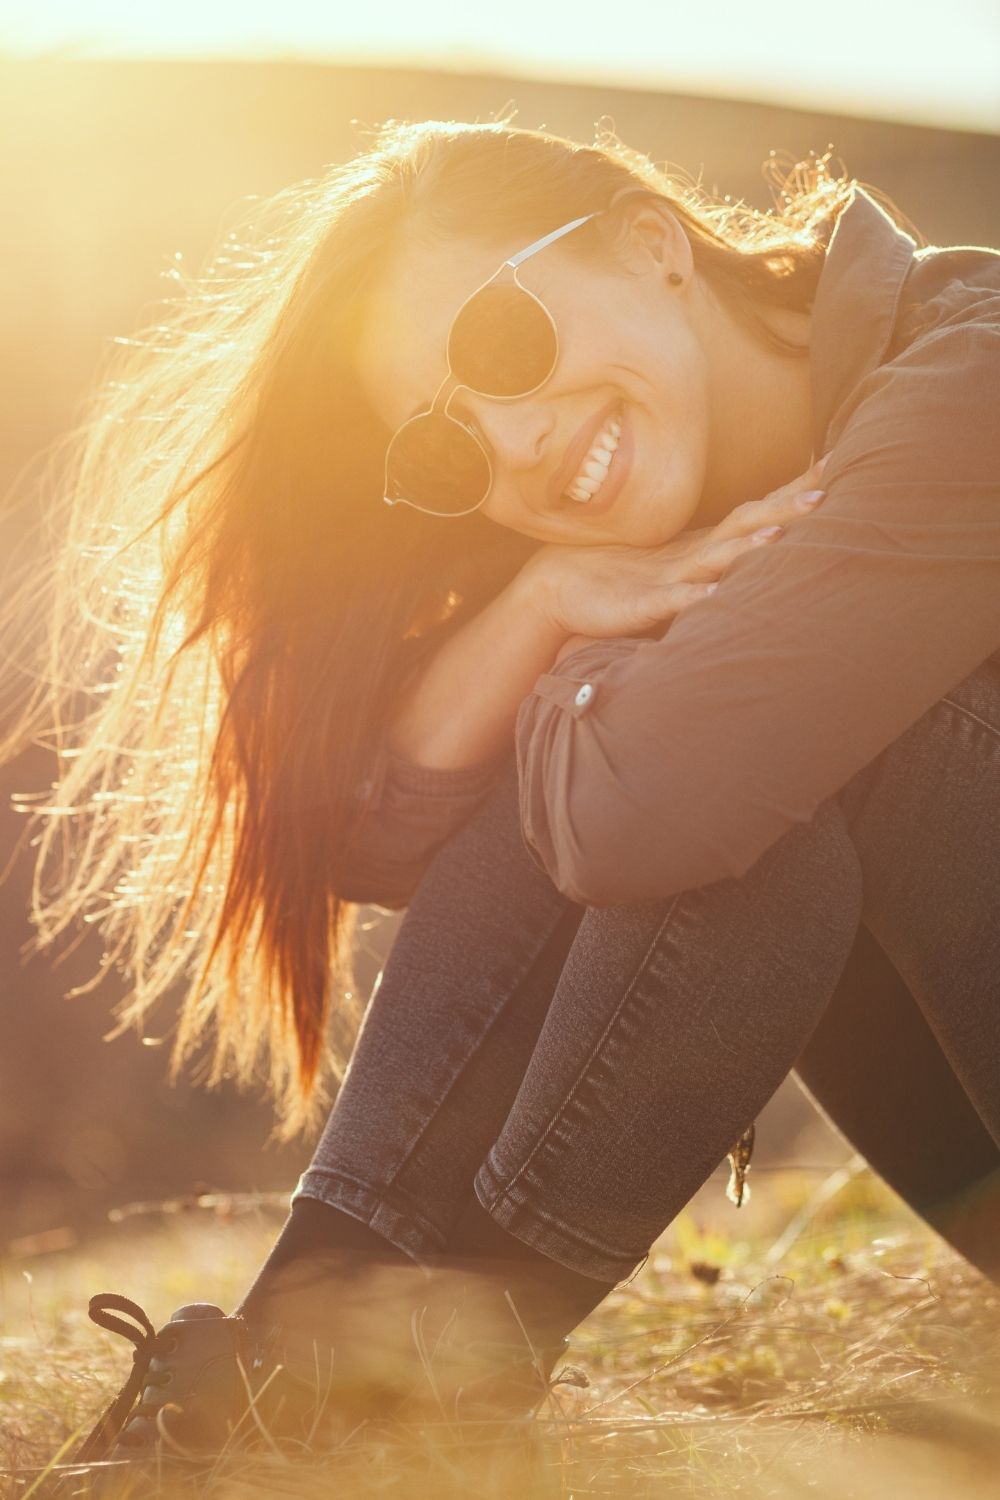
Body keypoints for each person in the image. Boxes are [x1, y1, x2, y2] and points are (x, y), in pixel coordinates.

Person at [6, 119, 999, 1472]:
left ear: (650, 243)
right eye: (451, 448)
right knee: (660, 739)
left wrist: (574, 670)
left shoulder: (968, 376)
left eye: (502, 344)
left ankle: (367, 1409)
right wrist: (541, 605)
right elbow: (368, 834)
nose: (519, 446)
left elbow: (652, 803)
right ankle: (292, 1381)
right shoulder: (655, 530)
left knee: (720, 750)